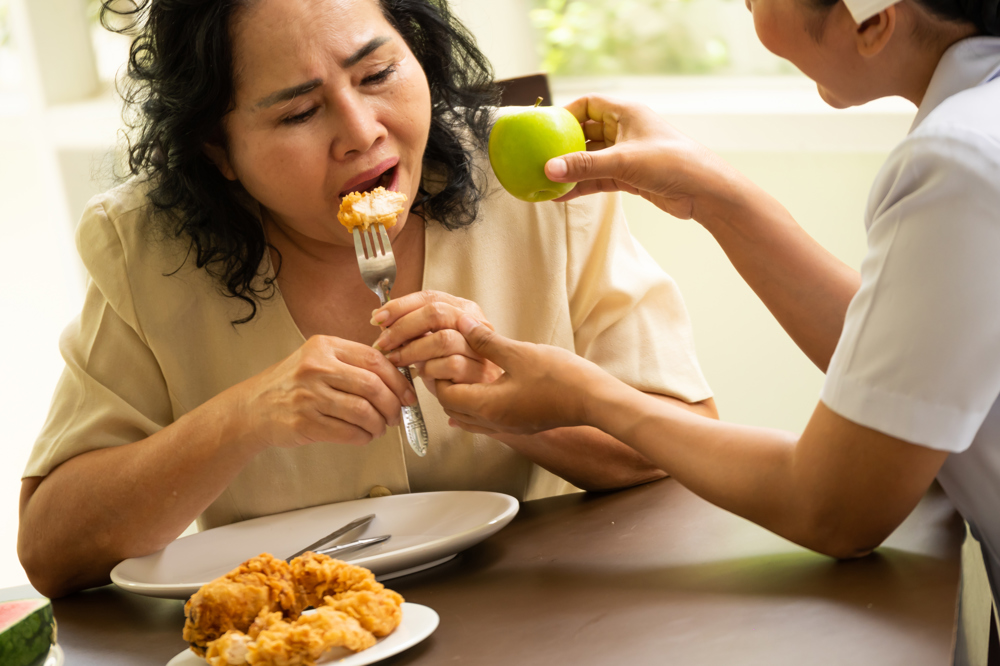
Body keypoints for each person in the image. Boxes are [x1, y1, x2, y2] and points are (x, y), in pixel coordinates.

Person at [17, 0, 716, 598]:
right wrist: (244, 418)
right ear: (218, 151)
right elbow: (53, 547)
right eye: (298, 113)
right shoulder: (145, 244)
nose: (360, 132)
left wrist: (509, 407)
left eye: (378, 74)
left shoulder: (539, 184)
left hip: (556, 618)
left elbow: (688, 447)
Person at [428, 0, 1000, 655]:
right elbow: (910, 358)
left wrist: (586, 397)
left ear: (873, 22)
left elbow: (836, 509)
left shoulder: (957, 163)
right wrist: (713, 194)